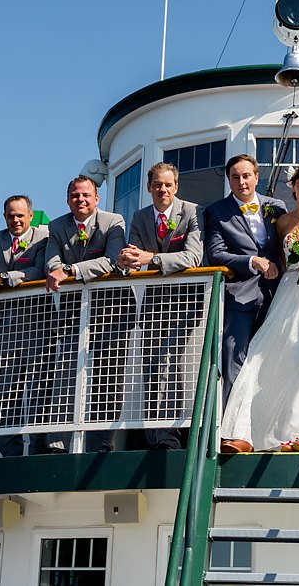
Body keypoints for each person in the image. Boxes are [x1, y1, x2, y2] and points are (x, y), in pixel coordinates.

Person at [219, 163, 299, 453]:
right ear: (293, 188)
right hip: (290, 292)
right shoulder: (282, 222)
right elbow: (281, 260)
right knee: (267, 357)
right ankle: (245, 432)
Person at [117, 162, 203, 449]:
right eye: (157, 185)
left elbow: (192, 258)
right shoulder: (140, 217)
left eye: (168, 185)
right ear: (149, 187)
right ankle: (153, 435)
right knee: (150, 365)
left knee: (173, 364)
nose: (162, 190)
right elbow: (132, 256)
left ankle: (169, 436)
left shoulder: (191, 211)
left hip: (184, 303)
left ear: (176, 187)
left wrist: (150, 259)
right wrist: (131, 260)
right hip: (152, 303)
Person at [42, 175, 131, 453]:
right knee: (66, 371)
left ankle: (101, 445)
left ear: (96, 198)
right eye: (75, 196)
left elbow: (112, 260)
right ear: (68, 199)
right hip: (72, 310)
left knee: (107, 377)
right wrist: (60, 268)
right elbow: (51, 262)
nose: (80, 200)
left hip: (112, 309)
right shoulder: (57, 226)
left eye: (85, 195)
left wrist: (71, 271)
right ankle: (59, 443)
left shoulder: (113, 221)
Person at [0, 195, 50, 459]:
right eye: (10, 216)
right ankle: (9, 450)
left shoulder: (44, 237)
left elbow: (39, 270)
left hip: (38, 326)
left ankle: (37, 450)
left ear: (30, 215)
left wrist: (4, 278)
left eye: (20, 215)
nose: (15, 220)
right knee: (3, 394)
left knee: (38, 392)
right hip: (6, 329)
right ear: (4, 217)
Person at [203, 154, 286, 403]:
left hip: (279, 295)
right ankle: (233, 430)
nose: (241, 182)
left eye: (246, 176)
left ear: (256, 177)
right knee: (234, 356)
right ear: (229, 180)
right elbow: (216, 254)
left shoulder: (277, 206)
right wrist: (252, 262)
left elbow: (287, 243)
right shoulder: (216, 211)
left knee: (272, 359)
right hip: (239, 294)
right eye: (235, 177)